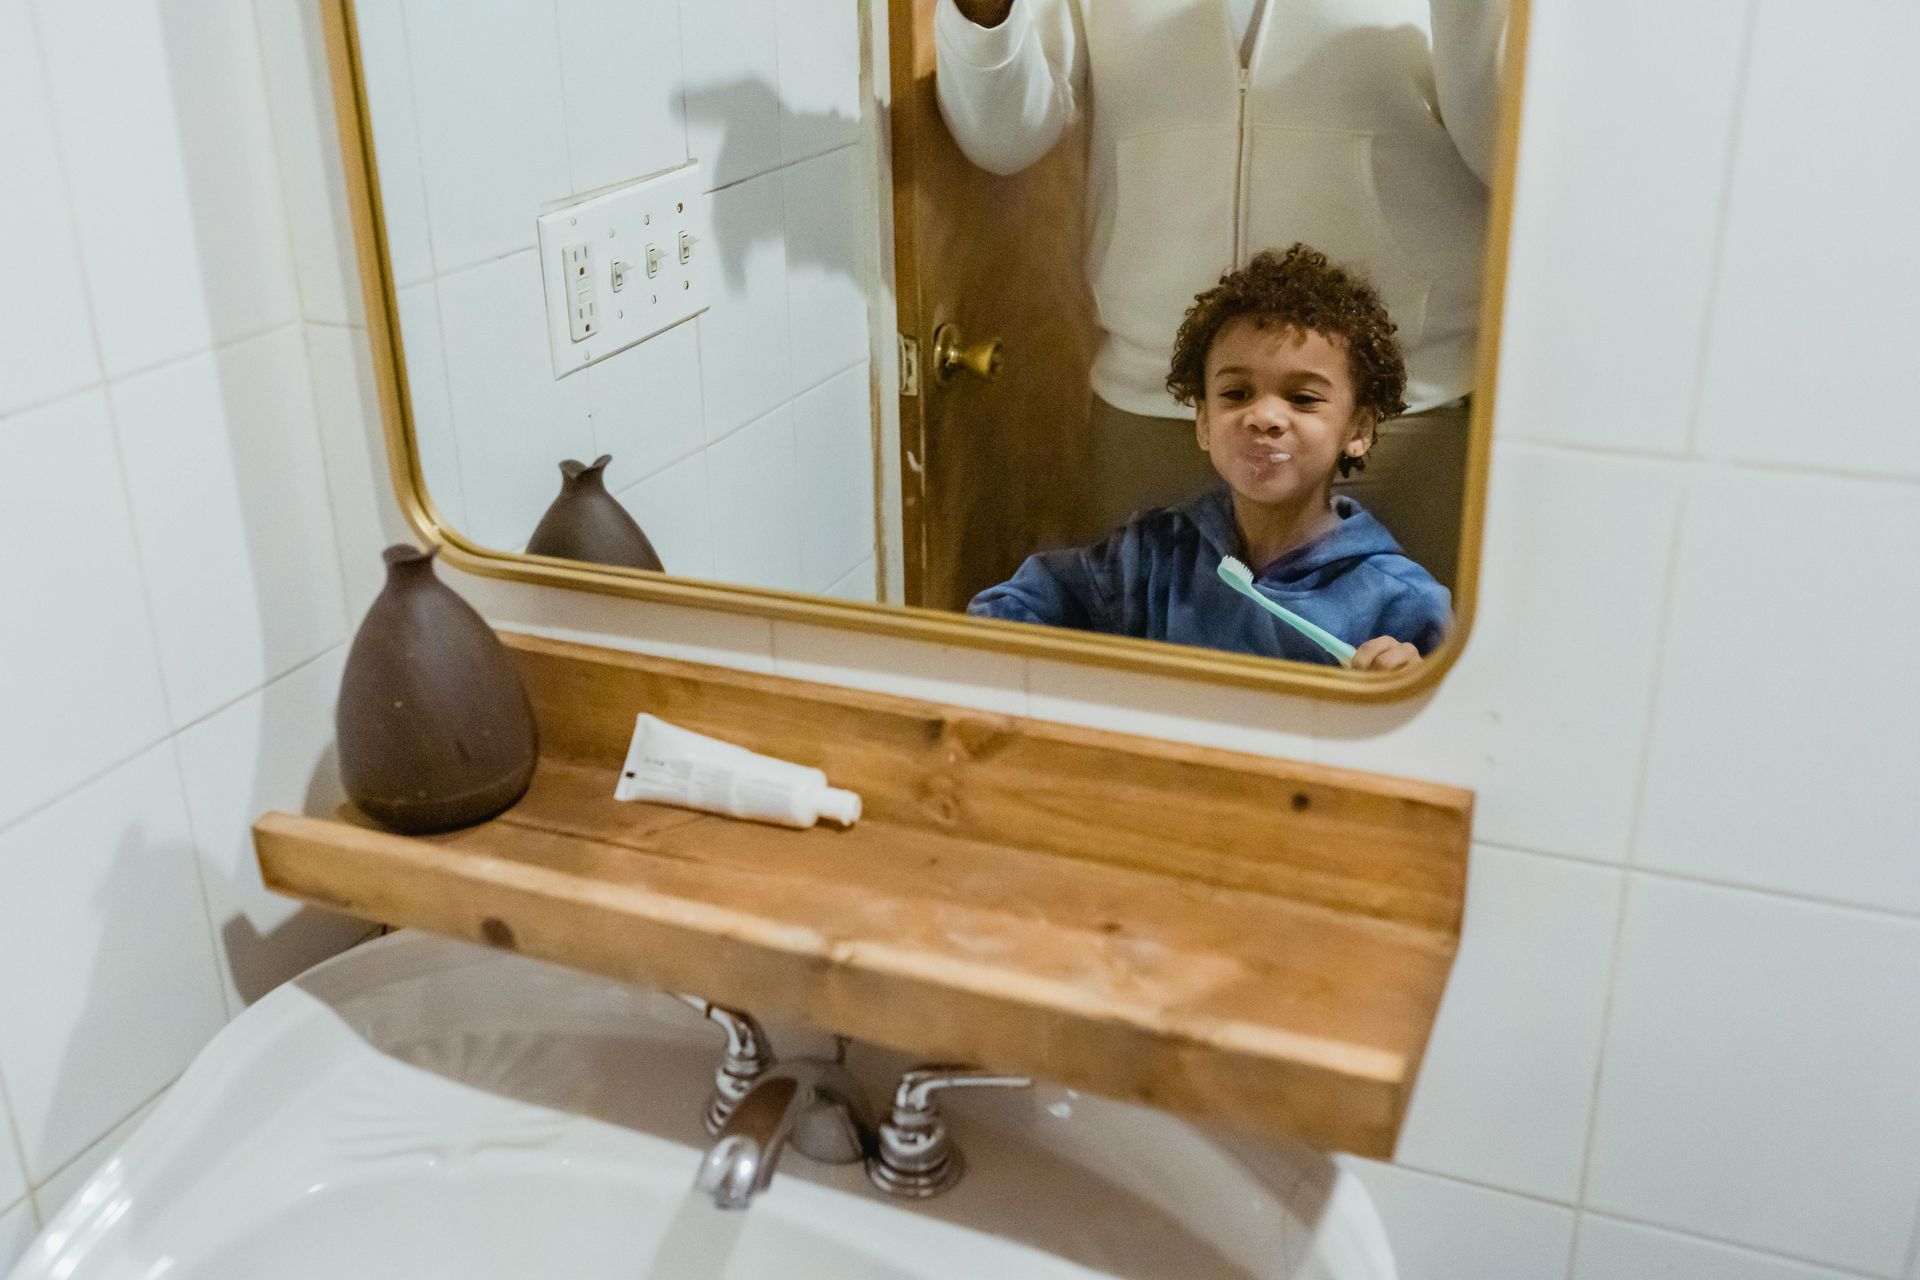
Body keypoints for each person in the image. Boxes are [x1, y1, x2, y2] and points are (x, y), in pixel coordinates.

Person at [935, 0, 1504, 578]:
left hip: (1393, 418)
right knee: (1148, 661)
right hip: (1154, 409)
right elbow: (1002, 137)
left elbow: (1512, 149)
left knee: (1389, 653)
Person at [968, 245, 1449, 672]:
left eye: (1302, 398)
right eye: (1236, 393)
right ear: (1203, 422)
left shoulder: (1403, 602)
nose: (1263, 416)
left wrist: (1408, 689)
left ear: (1358, 430)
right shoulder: (1152, 556)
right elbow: (1013, 611)